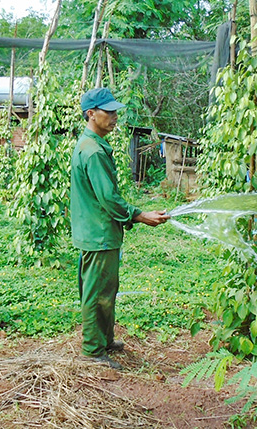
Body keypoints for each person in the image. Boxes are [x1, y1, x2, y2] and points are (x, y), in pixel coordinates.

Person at [71, 87, 170, 370]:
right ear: (91, 114)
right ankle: (92, 351)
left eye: (115, 111)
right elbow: (109, 199)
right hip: (99, 233)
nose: (115, 117)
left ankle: (104, 340)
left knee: (105, 290)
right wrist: (139, 215)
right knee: (97, 293)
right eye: (109, 112)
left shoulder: (92, 145)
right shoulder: (93, 152)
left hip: (97, 231)